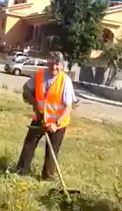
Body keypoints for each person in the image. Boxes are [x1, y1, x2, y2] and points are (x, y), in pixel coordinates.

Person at [17, 51, 76, 180]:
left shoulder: (65, 81)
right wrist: (33, 101)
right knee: (29, 144)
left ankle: (47, 177)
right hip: (39, 118)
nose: (53, 67)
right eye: (51, 63)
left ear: (61, 65)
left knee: (52, 150)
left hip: (57, 123)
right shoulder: (40, 75)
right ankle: (21, 172)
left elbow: (68, 107)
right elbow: (26, 89)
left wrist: (56, 124)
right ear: (47, 63)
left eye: (56, 64)